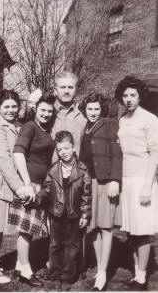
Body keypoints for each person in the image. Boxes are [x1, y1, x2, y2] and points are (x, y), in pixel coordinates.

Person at [115, 76, 158, 291]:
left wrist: (147, 186)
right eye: (125, 95)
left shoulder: (150, 119)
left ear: (140, 96)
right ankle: (136, 272)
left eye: (133, 95)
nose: (129, 99)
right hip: (126, 180)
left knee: (142, 231)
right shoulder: (122, 120)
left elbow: (155, 153)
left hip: (143, 180)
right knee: (131, 231)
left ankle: (142, 278)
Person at [8, 93, 55, 287]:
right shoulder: (29, 126)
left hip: (39, 185)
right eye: (43, 110)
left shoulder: (44, 128)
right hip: (30, 185)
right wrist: (27, 184)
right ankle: (27, 271)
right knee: (26, 230)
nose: (46, 113)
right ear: (36, 109)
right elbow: (19, 153)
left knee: (30, 229)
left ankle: (20, 266)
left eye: (49, 111)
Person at [0, 89, 28, 289]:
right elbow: (4, 160)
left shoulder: (17, 126)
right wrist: (19, 187)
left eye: (14, 106)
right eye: (6, 106)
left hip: (5, 187)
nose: (11, 110)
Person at [79, 92, 122, 291]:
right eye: (90, 109)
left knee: (106, 227)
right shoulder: (84, 128)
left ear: (101, 109)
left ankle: (103, 272)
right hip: (89, 183)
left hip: (106, 182)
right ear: (85, 110)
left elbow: (117, 153)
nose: (94, 112)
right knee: (93, 227)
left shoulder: (110, 124)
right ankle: (99, 267)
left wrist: (115, 179)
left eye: (97, 109)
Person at [41, 131, 92, 291]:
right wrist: (37, 196)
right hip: (56, 213)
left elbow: (86, 194)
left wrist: (85, 214)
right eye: (59, 150)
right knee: (55, 244)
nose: (63, 152)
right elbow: (47, 189)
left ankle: (68, 274)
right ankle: (55, 273)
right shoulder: (53, 169)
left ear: (73, 148)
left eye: (66, 148)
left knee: (72, 245)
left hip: (74, 214)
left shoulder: (83, 170)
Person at [51, 71, 87, 156]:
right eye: (63, 87)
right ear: (55, 90)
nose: (66, 91)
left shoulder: (84, 113)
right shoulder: (47, 113)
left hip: (77, 167)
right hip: (51, 168)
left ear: (76, 89)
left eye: (70, 87)